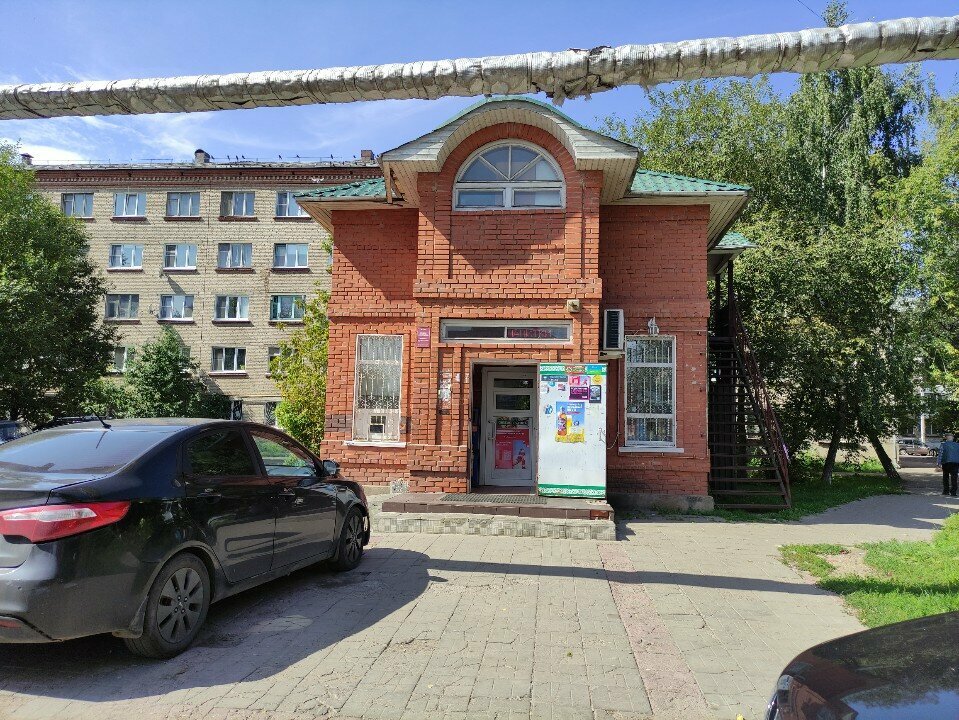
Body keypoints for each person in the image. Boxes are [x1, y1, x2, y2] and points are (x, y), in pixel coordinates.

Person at [936, 432, 959, 497]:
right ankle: (953, 492)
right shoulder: (957, 445)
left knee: (945, 477)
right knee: (954, 478)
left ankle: (946, 491)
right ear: (953, 438)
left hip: (946, 462)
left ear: (946, 438)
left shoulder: (943, 444)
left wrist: (938, 463)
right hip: (955, 463)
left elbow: (940, 454)